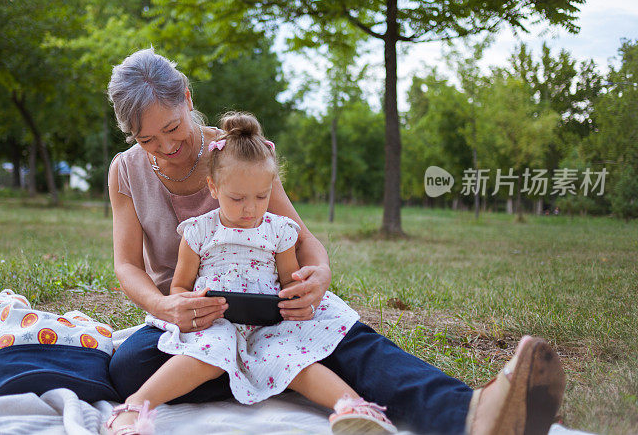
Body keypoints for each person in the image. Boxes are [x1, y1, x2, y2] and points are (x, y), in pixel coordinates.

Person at [106, 48, 565, 435]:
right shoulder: (125, 172)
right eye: (147, 139)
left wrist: (320, 275)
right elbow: (128, 265)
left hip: (272, 307)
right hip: (195, 318)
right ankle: (285, 370)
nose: (166, 147)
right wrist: (165, 307)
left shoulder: (236, 155)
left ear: (187, 99)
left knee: (346, 340)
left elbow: (302, 239)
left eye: (172, 128)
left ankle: (468, 413)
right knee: (127, 368)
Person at [106, 112, 396, 434]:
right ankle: (134, 407)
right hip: (213, 320)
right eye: (238, 198)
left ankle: (355, 409)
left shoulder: (280, 231)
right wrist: (186, 304)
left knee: (290, 358)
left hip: (265, 322)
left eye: (261, 196)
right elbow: (179, 287)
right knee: (207, 354)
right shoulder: (198, 231)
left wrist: (296, 298)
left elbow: (289, 281)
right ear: (213, 188)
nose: (251, 209)